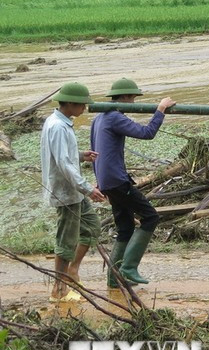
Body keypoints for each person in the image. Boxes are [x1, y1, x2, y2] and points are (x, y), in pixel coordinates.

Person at [91, 79, 176, 286]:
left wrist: (99, 181)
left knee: (126, 228)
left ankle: (114, 279)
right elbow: (147, 133)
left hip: (108, 181)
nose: (134, 101)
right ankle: (129, 267)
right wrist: (161, 109)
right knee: (150, 217)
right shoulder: (115, 118)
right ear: (126, 98)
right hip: (118, 182)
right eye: (133, 98)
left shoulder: (99, 118)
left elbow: (94, 152)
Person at [40, 82, 106, 302]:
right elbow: (63, 164)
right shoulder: (58, 127)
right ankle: (58, 290)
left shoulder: (59, 122)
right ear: (69, 103)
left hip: (73, 191)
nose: (84, 109)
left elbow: (65, 156)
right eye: (81, 105)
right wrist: (88, 188)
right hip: (66, 192)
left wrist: (80, 155)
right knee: (66, 240)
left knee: (91, 228)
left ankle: (72, 271)